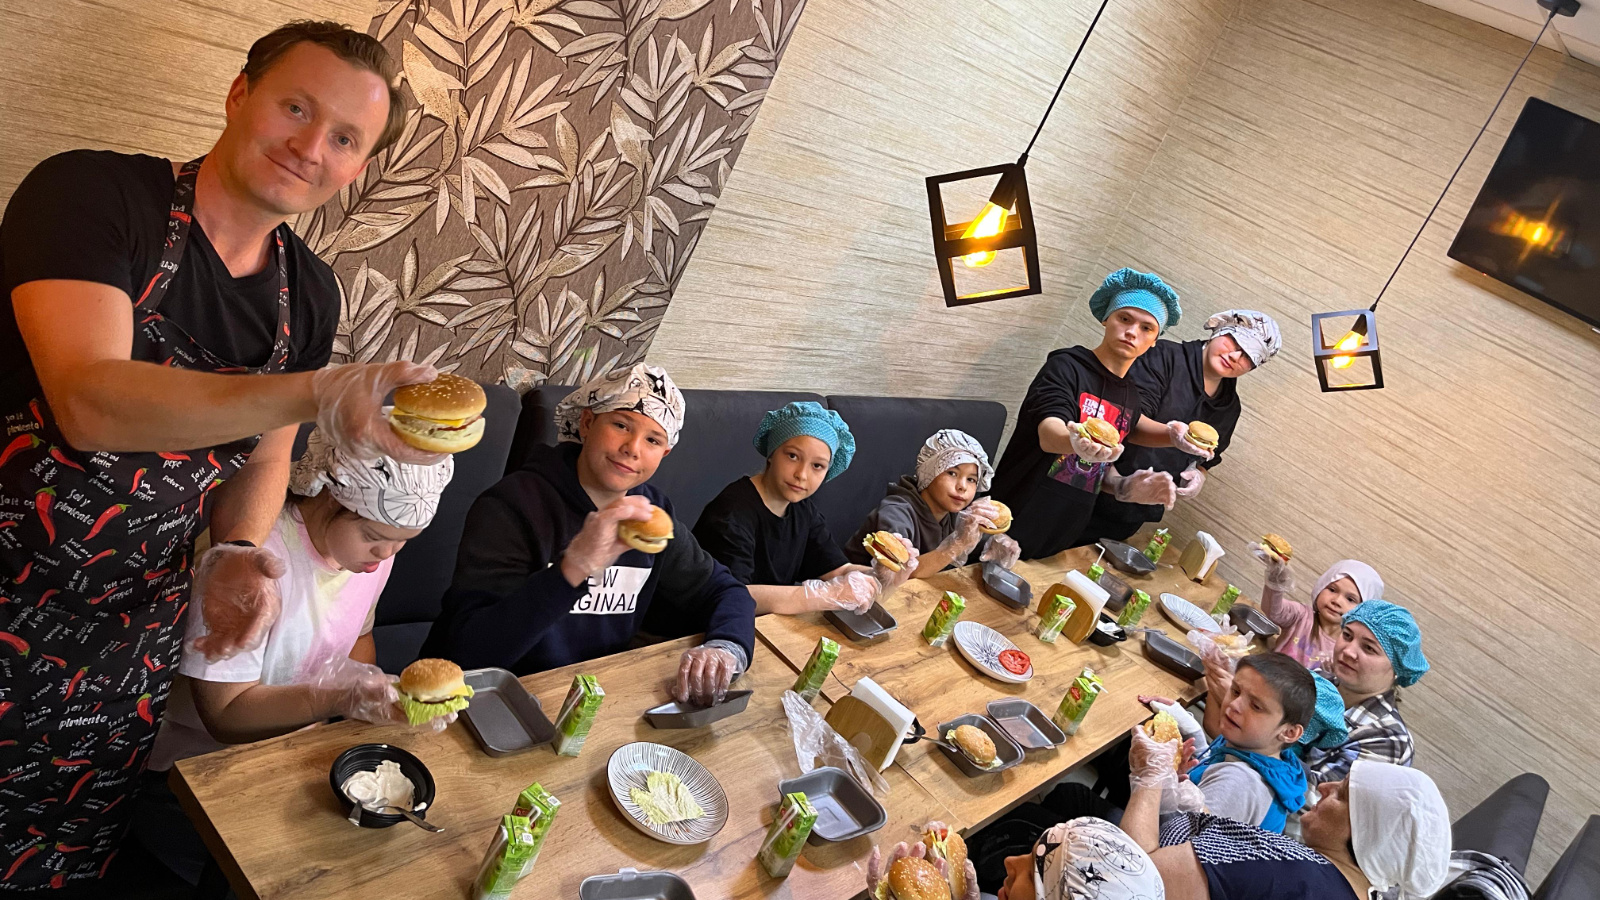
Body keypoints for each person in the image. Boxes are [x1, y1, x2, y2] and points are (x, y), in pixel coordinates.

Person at [0, 21, 439, 891]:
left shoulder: (308, 293)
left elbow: (264, 462)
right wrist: (315, 390)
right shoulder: (91, 194)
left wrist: (236, 548)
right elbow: (89, 401)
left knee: (63, 864)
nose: (311, 147)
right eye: (296, 108)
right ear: (240, 95)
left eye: (345, 138)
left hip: (129, 641)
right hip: (10, 587)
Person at [131, 429, 454, 885]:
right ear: (328, 494)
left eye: (402, 543)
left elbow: (359, 637)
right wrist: (338, 699)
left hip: (293, 753)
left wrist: (376, 696)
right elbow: (223, 717)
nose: (385, 556)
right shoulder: (255, 567)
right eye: (374, 536)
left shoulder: (372, 558)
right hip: (196, 774)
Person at [421, 364, 756, 706]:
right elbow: (468, 654)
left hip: (591, 698)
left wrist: (726, 647)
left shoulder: (651, 514)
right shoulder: (513, 505)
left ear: (664, 453)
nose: (633, 448)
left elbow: (725, 590)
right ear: (586, 423)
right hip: (486, 700)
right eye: (621, 425)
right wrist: (572, 569)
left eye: (653, 440)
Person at [991, 268, 1211, 563]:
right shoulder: (1067, 366)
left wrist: (1124, 486)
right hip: (1013, 514)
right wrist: (1075, 442)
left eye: (1147, 328)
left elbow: (1100, 467)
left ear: (1154, 340)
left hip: (1065, 531)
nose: (1132, 332)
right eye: (1125, 319)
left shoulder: (1130, 395)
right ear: (1106, 318)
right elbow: (1048, 433)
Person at [693, 402, 917, 615]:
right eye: (792, 456)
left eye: (817, 466)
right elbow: (733, 595)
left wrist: (881, 574)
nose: (801, 474)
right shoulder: (730, 514)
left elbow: (838, 570)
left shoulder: (802, 510)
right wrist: (819, 596)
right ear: (772, 453)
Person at [1081, 310, 1282, 546]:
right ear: (1219, 331)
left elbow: (1208, 457)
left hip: (1134, 511)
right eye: (1235, 342)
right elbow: (1127, 421)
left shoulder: (1229, 406)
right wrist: (1172, 436)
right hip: (1089, 487)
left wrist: (1198, 474)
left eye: (1248, 356)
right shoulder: (1164, 356)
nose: (1235, 355)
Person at [844, 429, 1020, 578]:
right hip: (853, 595)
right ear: (928, 473)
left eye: (971, 479)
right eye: (952, 473)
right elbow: (901, 573)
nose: (962, 486)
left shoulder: (951, 513)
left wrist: (997, 544)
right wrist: (958, 543)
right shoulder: (896, 512)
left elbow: (973, 542)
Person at [1303, 600, 1430, 784]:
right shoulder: (1316, 679)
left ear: (1396, 669)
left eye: (1369, 648)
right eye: (1347, 636)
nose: (1348, 651)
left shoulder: (1388, 739)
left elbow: (1316, 797)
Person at [1253, 550, 1383, 671]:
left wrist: (1336, 674)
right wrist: (1275, 580)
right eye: (1332, 590)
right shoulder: (1301, 615)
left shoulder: (1348, 649)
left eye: (1350, 599)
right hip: (1270, 678)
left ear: (1362, 611)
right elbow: (1273, 611)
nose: (1336, 601)